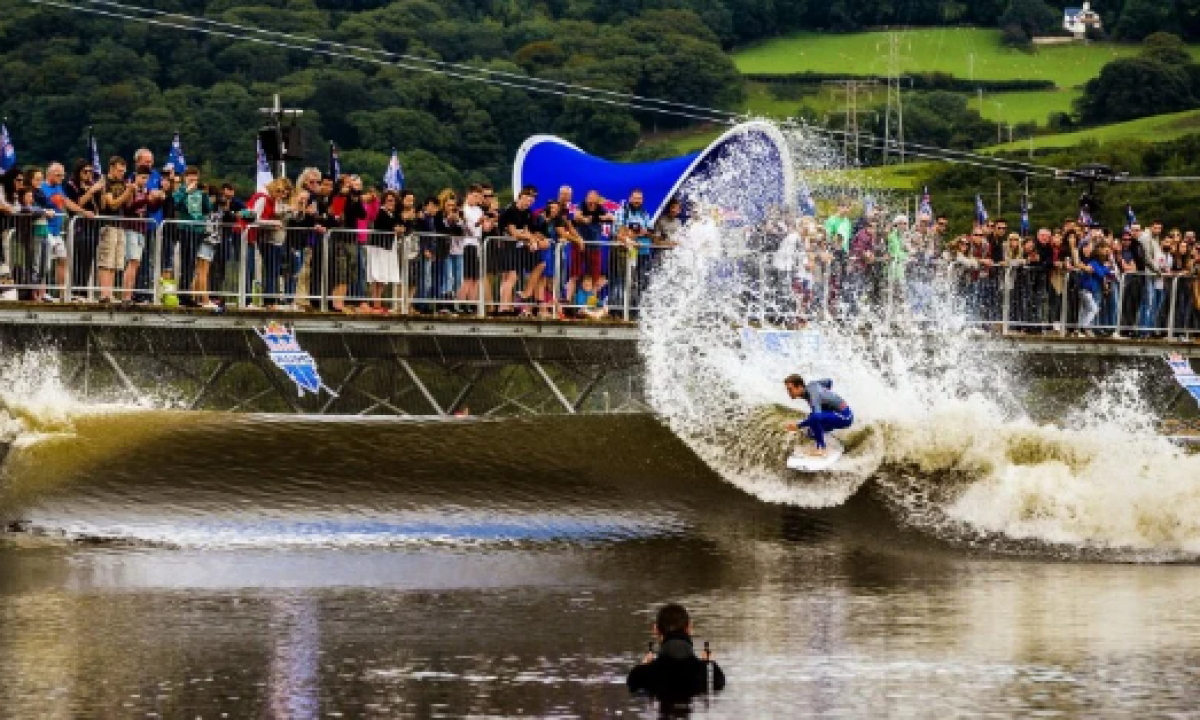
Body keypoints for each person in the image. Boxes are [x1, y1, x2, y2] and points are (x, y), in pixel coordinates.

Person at [627, 603, 724, 700]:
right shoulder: (712, 673)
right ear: (690, 628)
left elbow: (639, 690)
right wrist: (708, 666)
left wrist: (644, 668)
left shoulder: (638, 675)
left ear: (656, 629)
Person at [782, 374, 854, 457]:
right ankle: (824, 439)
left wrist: (798, 426)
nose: (788, 393)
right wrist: (826, 399)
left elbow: (816, 417)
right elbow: (828, 381)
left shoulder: (813, 395)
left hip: (845, 416)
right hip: (835, 413)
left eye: (790, 389)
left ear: (800, 387)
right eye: (787, 390)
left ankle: (821, 449)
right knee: (810, 432)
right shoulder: (812, 385)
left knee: (813, 418)